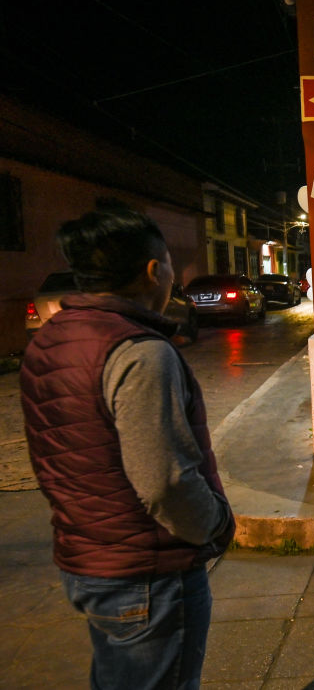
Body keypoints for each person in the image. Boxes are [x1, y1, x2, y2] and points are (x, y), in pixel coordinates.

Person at [20, 208, 235, 689]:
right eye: (171, 268)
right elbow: (165, 480)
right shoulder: (140, 353)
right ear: (154, 272)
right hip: (148, 571)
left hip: (90, 558)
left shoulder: (51, 340)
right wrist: (216, 526)